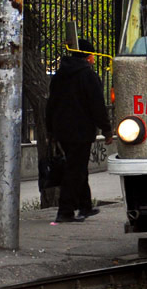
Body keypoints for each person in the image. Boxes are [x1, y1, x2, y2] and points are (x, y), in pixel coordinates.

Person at [46, 38, 113, 224]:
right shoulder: (87, 76)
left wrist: (50, 130)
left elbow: (50, 104)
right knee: (75, 170)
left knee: (77, 167)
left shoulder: (60, 75)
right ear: (86, 56)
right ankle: (65, 211)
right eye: (91, 55)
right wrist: (107, 130)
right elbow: (97, 105)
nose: (93, 59)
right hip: (81, 131)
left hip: (62, 130)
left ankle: (85, 206)